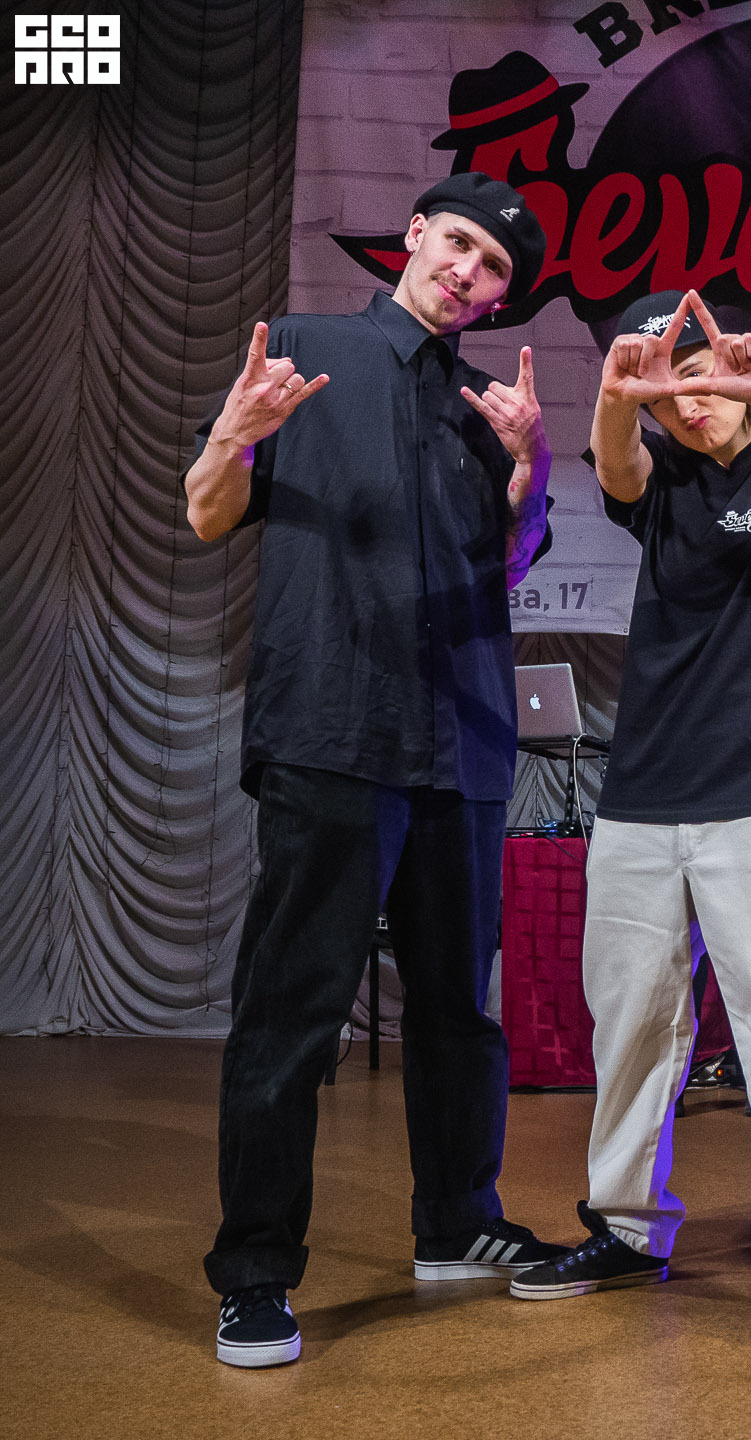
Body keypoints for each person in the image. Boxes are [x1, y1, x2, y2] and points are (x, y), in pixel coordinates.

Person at [182, 173, 570, 1369]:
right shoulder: (302, 352)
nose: (468, 272)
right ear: (414, 236)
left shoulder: (485, 406)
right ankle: (255, 1270)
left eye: (493, 269)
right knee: (294, 1012)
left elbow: (507, 566)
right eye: (457, 244)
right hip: (333, 730)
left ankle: (456, 1222)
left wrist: (529, 472)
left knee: (459, 1012)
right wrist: (235, 437)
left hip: (462, 743)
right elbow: (206, 515)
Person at [506, 289, 751, 1387]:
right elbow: (616, 464)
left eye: (697, 371)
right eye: (664, 384)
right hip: (643, 795)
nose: (689, 399)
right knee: (630, 1020)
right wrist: (619, 394)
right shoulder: (660, 473)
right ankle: (628, 1224)